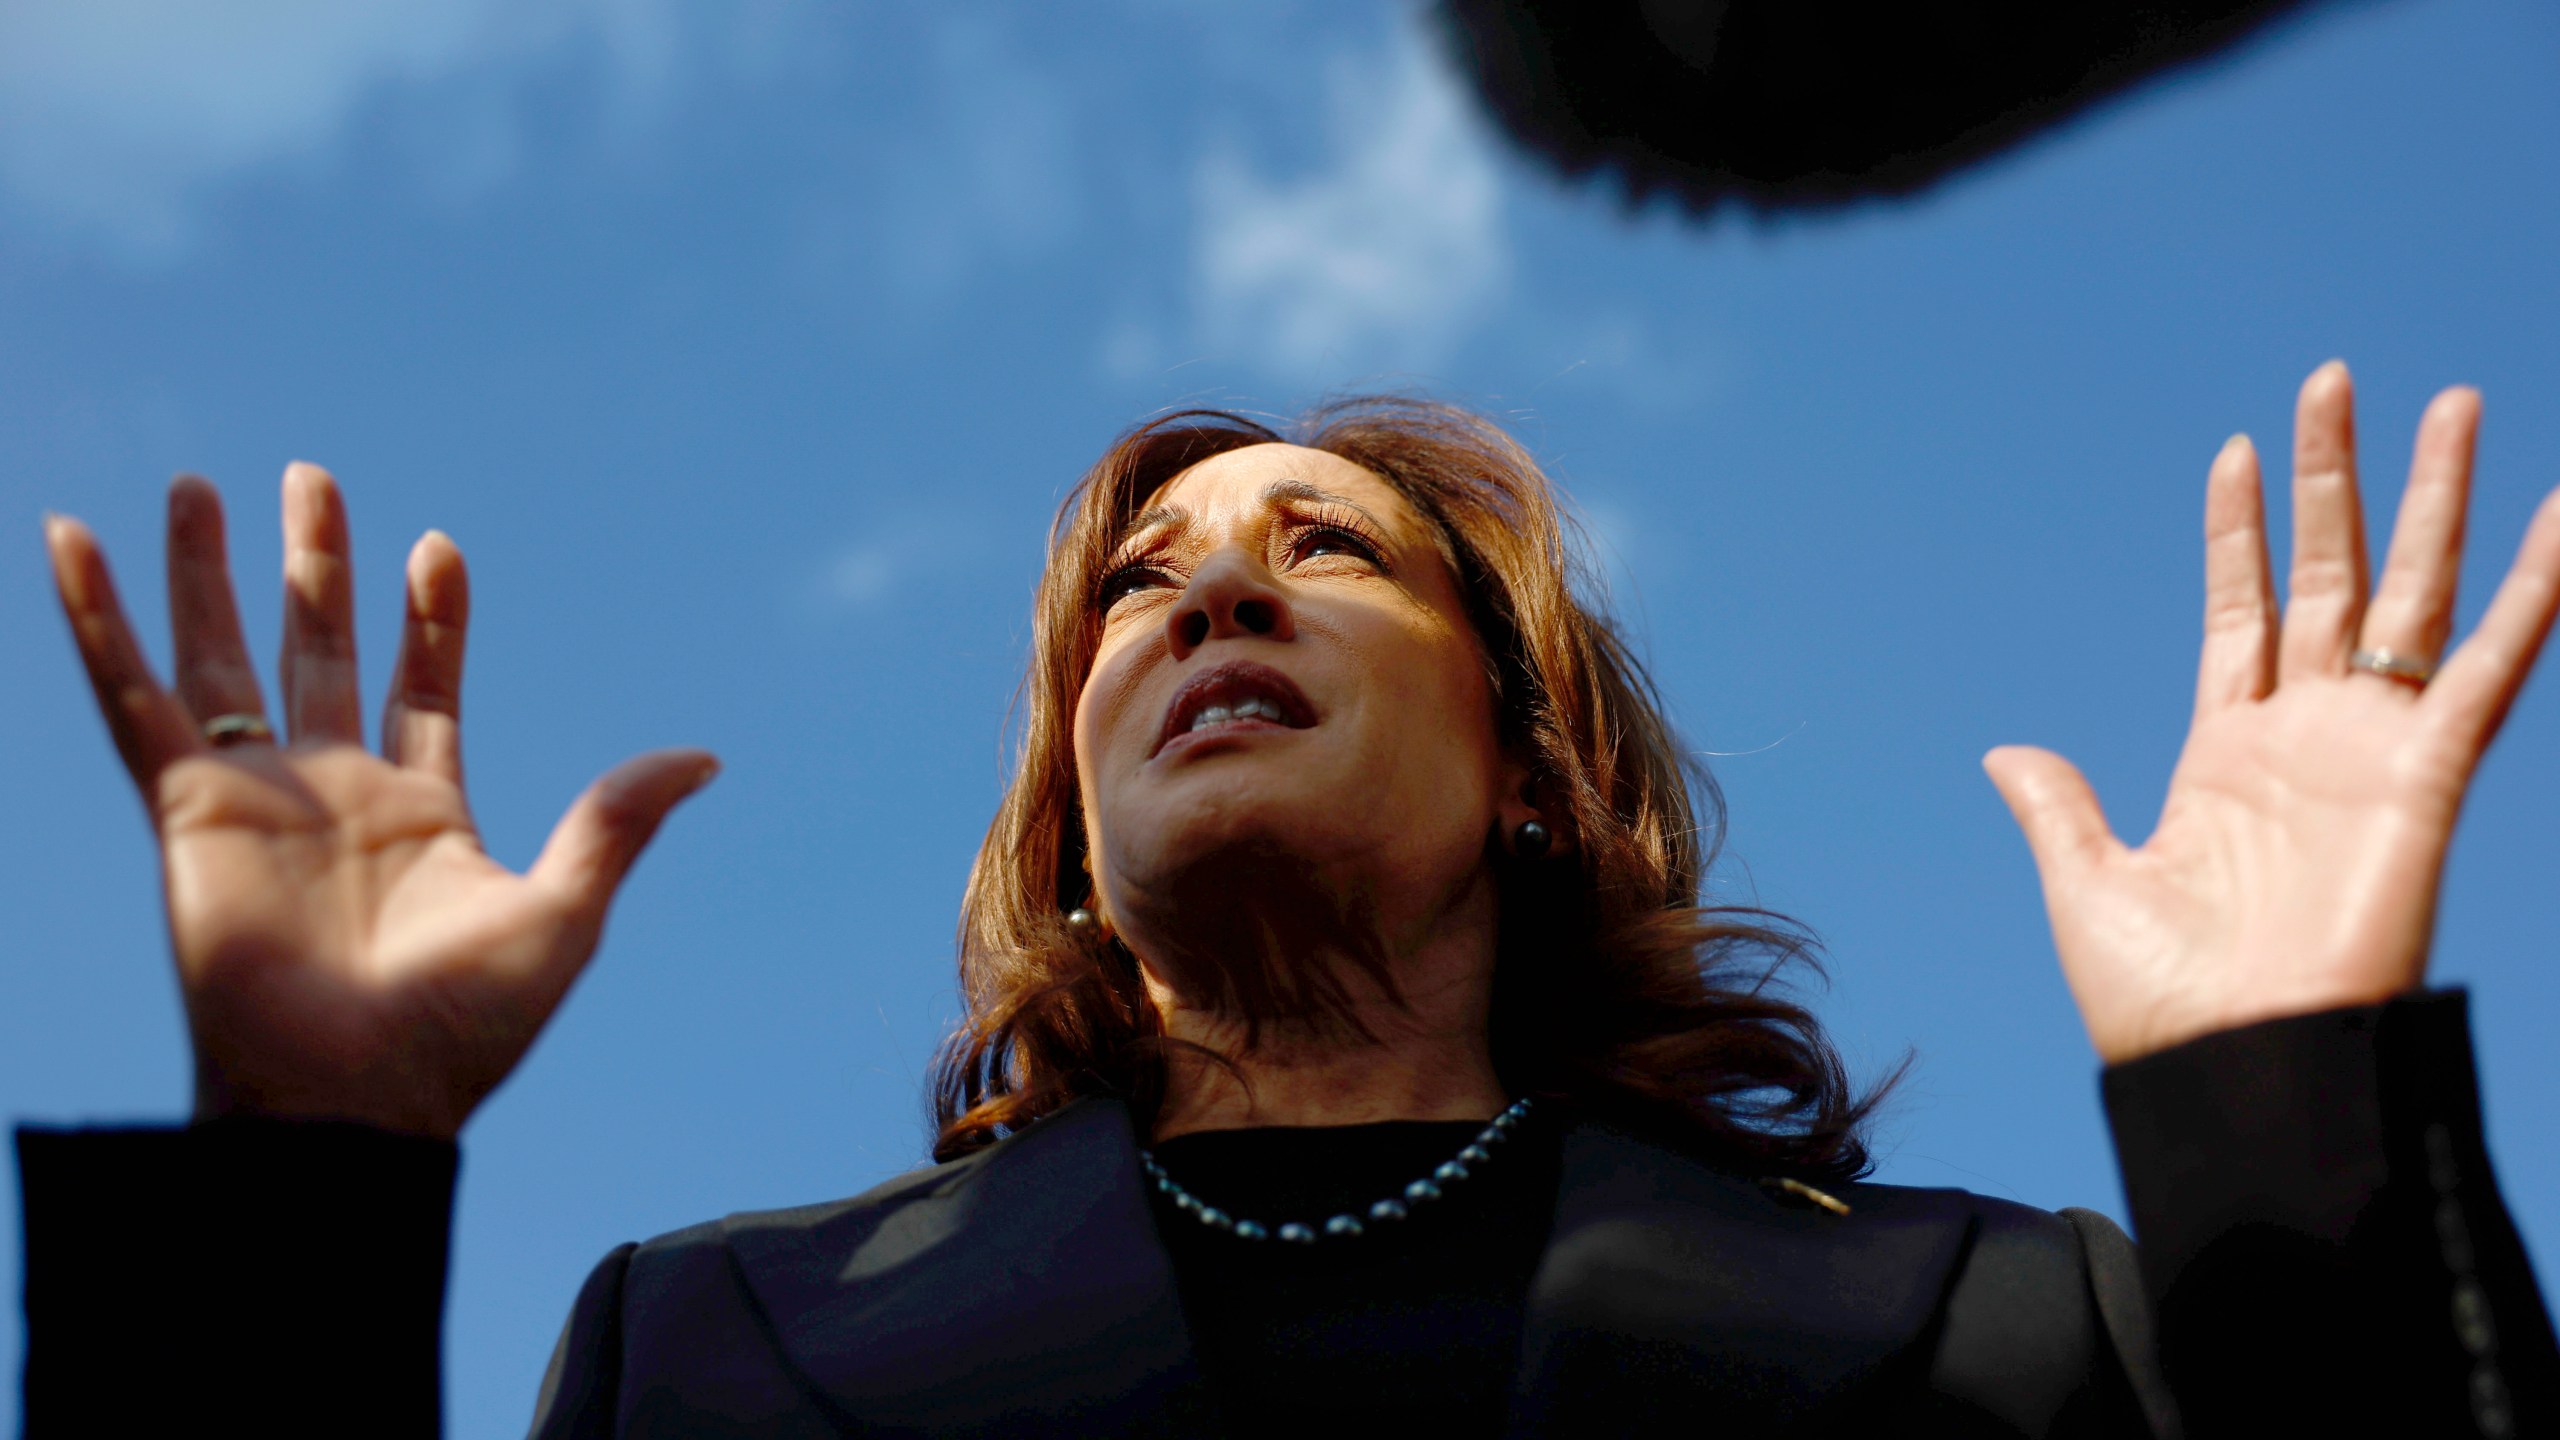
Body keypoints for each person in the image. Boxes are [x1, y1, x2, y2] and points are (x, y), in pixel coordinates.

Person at [17, 363, 2559, 1438]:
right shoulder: (703, 1351)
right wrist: (301, 1172)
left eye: (1315, 551)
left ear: (1537, 771)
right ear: (1069, 852)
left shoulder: (2003, 1333)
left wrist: (2285, 1099)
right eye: (1141, 584)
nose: (1208, 600)